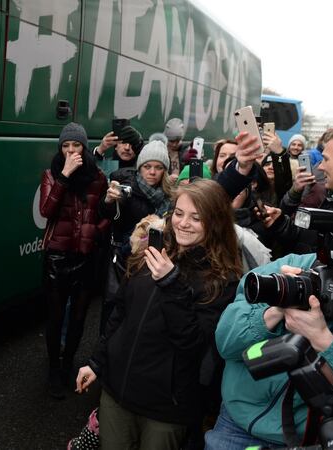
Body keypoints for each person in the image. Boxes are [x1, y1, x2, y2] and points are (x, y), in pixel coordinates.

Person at [76, 179, 242, 449]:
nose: (183, 223)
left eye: (196, 218)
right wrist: (96, 362)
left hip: (166, 408)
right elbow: (120, 315)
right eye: (178, 213)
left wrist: (171, 284)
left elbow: (192, 344)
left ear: (216, 222)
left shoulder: (223, 280)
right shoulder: (151, 253)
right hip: (116, 392)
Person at [205, 225, 333, 449]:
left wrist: (325, 341)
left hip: (302, 438)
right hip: (235, 422)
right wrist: (275, 310)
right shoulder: (296, 268)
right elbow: (226, 343)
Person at [39, 122, 108, 399]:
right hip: (57, 256)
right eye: (65, 146)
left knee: (78, 318)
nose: (70, 151)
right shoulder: (50, 175)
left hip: (86, 256)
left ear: (84, 148)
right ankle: (54, 369)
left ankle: (68, 364)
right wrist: (64, 177)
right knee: (55, 317)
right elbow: (46, 210)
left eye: (75, 145)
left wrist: (95, 231)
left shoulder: (98, 177)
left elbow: (104, 214)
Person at [100, 141, 172, 334]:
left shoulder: (168, 196)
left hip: (151, 260)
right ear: (140, 167)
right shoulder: (127, 189)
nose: (152, 172)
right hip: (123, 258)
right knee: (114, 305)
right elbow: (107, 214)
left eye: (158, 167)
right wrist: (108, 201)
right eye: (147, 166)